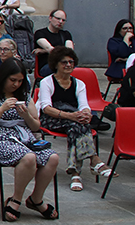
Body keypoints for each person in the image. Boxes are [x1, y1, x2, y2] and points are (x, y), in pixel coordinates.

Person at [0, 57, 58, 221]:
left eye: (20, 81)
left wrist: (26, 114)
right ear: (3, 77)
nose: (16, 84)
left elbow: (36, 126)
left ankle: (36, 199)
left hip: (23, 138)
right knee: (28, 158)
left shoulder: (25, 96)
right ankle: (16, 199)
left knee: (52, 157)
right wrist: (2, 109)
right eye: (12, 80)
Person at [38, 47, 107, 192]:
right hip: (51, 118)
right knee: (77, 124)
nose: (68, 65)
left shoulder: (79, 84)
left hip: (72, 120)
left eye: (71, 62)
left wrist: (86, 113)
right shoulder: (47, 82)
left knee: (77, 126)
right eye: (64, 62)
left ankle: (76, 173)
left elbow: (84, 105)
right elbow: (46, 108)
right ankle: (93, 160)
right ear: (56, 64)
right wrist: (71, 116)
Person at [34, 10, 73, 79]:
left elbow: (70, 52)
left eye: (63, 20)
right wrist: (49, 50)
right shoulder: (40, 33)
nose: (60, 22)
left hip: (66, 64)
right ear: (50, 18)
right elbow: (51, 50)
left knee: (79, 71)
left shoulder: (66, 34)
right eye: (58, 18)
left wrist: (44, 51)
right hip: (47, 66)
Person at [107, 19, 135, 84]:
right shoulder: (113, 41)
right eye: (125, 28)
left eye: (130, 28)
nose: (128, 30)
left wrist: (126, 59)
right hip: (120, 67)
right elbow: (122, 53)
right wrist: (125, 40)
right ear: (119, 30)